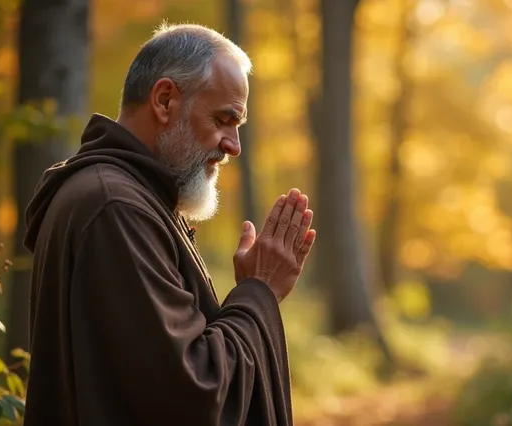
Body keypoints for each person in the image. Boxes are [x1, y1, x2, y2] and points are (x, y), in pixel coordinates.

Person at [20, 23, 316, 426]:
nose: (234, 145)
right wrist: (259, 291)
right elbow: (191, 395)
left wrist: (252, 291)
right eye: (223, 119)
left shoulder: (126, 197)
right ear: (164, 100)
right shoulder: (117, 208)